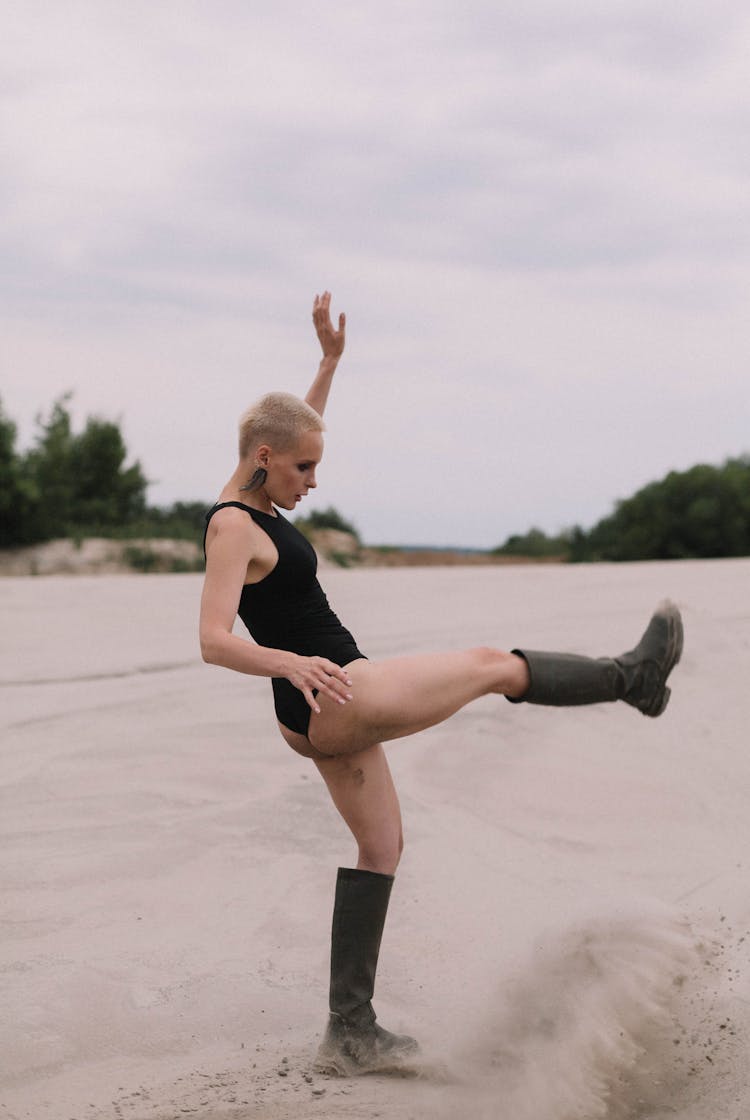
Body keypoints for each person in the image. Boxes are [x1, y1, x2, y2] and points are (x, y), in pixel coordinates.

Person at [199, 291, 684, 1077]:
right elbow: (212, 640)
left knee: (381, 844)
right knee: (493, 662)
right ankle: (634, 678)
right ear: (263, 459)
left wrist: (326, 365)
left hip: (317, 707)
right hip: (336, 691)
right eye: (304, 468)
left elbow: (288, 427)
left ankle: (348, 1032)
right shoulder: (231, 526)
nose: (313, 481)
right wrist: (289, 661)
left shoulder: (254, 487)